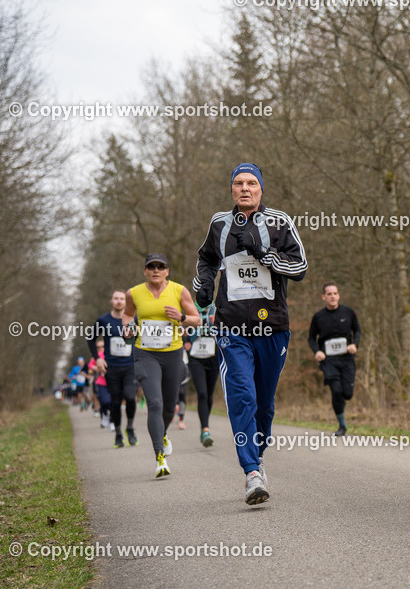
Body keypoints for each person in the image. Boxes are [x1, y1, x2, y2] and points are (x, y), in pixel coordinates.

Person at [193, 162, 307, 505]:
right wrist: (205, 285)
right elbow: (206, 261)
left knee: (264, 405)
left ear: (261, 189)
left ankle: (257, 457)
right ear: (232, 189)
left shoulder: (279, 222)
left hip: (272, 326)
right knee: (242, 394)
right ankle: (252, 472)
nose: (245, 188)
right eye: (239, 183)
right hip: (231, 327)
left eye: (251, 183)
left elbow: (299, 266)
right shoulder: (219, 224)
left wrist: (264, 255)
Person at [122, 254, 201, 478]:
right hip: (145, 354)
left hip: (173, 354)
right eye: (151, 266)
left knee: (168, 407)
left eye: (160, 266)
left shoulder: (179, 291)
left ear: (167, 271)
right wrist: (127, 328)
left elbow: (197, 319)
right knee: (154, 404)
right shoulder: (134, 293)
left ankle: (163, 433)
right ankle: (160, 458)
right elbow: (128, 315)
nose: (156, 270)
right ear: (145, 271)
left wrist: (181, 316)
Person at [308, 283, 361, 437]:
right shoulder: (318, 317)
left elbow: (357, 330)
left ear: (339, 296)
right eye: (329, 294)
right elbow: (311, 338)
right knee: (336, 390)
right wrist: (317, 351)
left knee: (347, 394)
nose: (332, 296)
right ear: (323, 297)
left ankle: (342, 403)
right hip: (328, 360)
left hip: (347, 358)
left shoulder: (348, 312)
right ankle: (342, 426)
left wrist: (354, 344)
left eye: (335, 293)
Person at [90, 290, 139, 447]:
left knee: (130, 397)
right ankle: (118, 434)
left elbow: (141, 339)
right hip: (111, 368)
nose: (119, 301)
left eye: (122, 298)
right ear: (111, 301)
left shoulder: (133, 319)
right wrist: (97, 359)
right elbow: (90, 339)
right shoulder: (103, 320)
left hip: (130, 366)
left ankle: (130, 428)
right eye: (116, 298)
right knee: (115, 402)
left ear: (126, 301)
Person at [184, 302, 219, 447]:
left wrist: (216, 323)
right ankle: (205, 430)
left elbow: (227, 328)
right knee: (202, 393)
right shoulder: (190, 310)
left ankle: (204, 423)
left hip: (213, 356)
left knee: (209, 395)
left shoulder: (216, 310)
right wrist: (185, 340)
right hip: (196, 358)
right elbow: (181, 328)